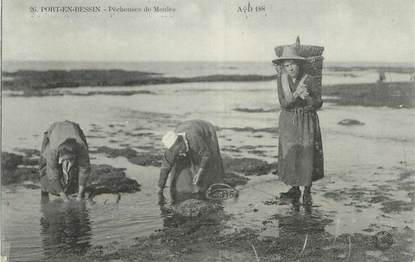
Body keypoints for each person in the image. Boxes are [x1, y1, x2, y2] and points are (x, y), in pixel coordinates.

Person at [272, 45, 324, 204]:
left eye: (293, 64)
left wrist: (307, 96)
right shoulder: (281, 80)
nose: (290, 68)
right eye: (287, 65)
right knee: (291, 153)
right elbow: (283, 103)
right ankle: (294, 188)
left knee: (307, 153)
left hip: (306, 120)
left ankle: (307, 190)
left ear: (299, 64)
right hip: (288, 120)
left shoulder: (309, 79)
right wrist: (295, 95)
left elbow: (318, 104)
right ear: (283, 67)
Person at [158, 120, 225, 197]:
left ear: (180, 141)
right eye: (176, 152)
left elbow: (206, 154)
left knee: (210, 161)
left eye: (180, 149)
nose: (179, 152)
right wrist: (160, 188)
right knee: (181, 168)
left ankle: (216, 182)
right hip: (184, 127)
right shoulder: (170, 151)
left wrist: (200, 172)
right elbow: (165, 169)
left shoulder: (194, 138)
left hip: (206, 130)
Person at [39, 121, 91, 202]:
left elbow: (84, 169)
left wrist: (80, 195)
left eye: (71, 158)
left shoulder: (81, 147)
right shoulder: (52, 151)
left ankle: (78, 192)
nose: (68, 160)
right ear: (61, 154)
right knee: (44, 167)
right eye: (66, 159)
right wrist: (64, 198)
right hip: (54, 130)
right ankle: (44, 195)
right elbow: (53, 175)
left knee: (77, 168)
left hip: (73, 127)